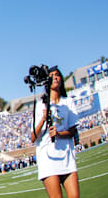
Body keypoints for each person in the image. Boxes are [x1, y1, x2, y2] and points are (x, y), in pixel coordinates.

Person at [31, 66, 80, 198]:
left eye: (58, 75)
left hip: (67, 157)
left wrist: (58, 133)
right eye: (52, 75)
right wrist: (43, 118)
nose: (55, 77)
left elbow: (73, 130)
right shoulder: (40, 104)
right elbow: (32, 137)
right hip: (48, 159)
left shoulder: (68, 102)